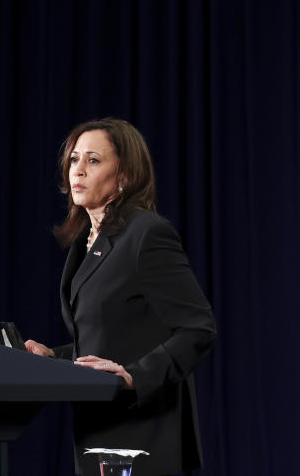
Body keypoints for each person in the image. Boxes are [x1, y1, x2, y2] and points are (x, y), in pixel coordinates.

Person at [25, 118, 217, 476]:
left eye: (93, 160)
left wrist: (133, 377)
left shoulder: (147, 234)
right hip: (98, 428)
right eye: (74, 160)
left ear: (124, 175)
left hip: (142, 433)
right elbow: (114, 334)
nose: (78, 170)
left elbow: (198, 328)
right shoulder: (88, 241)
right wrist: (56, 356)